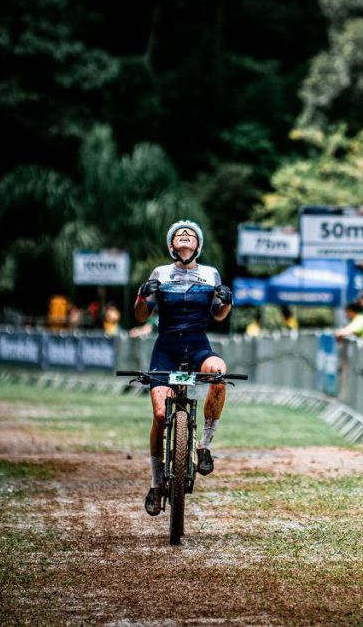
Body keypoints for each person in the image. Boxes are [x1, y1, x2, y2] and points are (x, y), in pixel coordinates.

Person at [134, 219, 233, 517]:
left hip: (197, 346)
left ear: (198, 245)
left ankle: (203, 446)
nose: (185, 236)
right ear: (171, 245)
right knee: (161, 413)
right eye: (179, 235)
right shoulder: (160, 273)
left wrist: (227, 302)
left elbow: (218, 316)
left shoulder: (210, 273)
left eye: (191, 235)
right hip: (165, 349)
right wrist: (142, 295)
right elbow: (141, 316)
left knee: (219, 373)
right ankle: (155, 483)